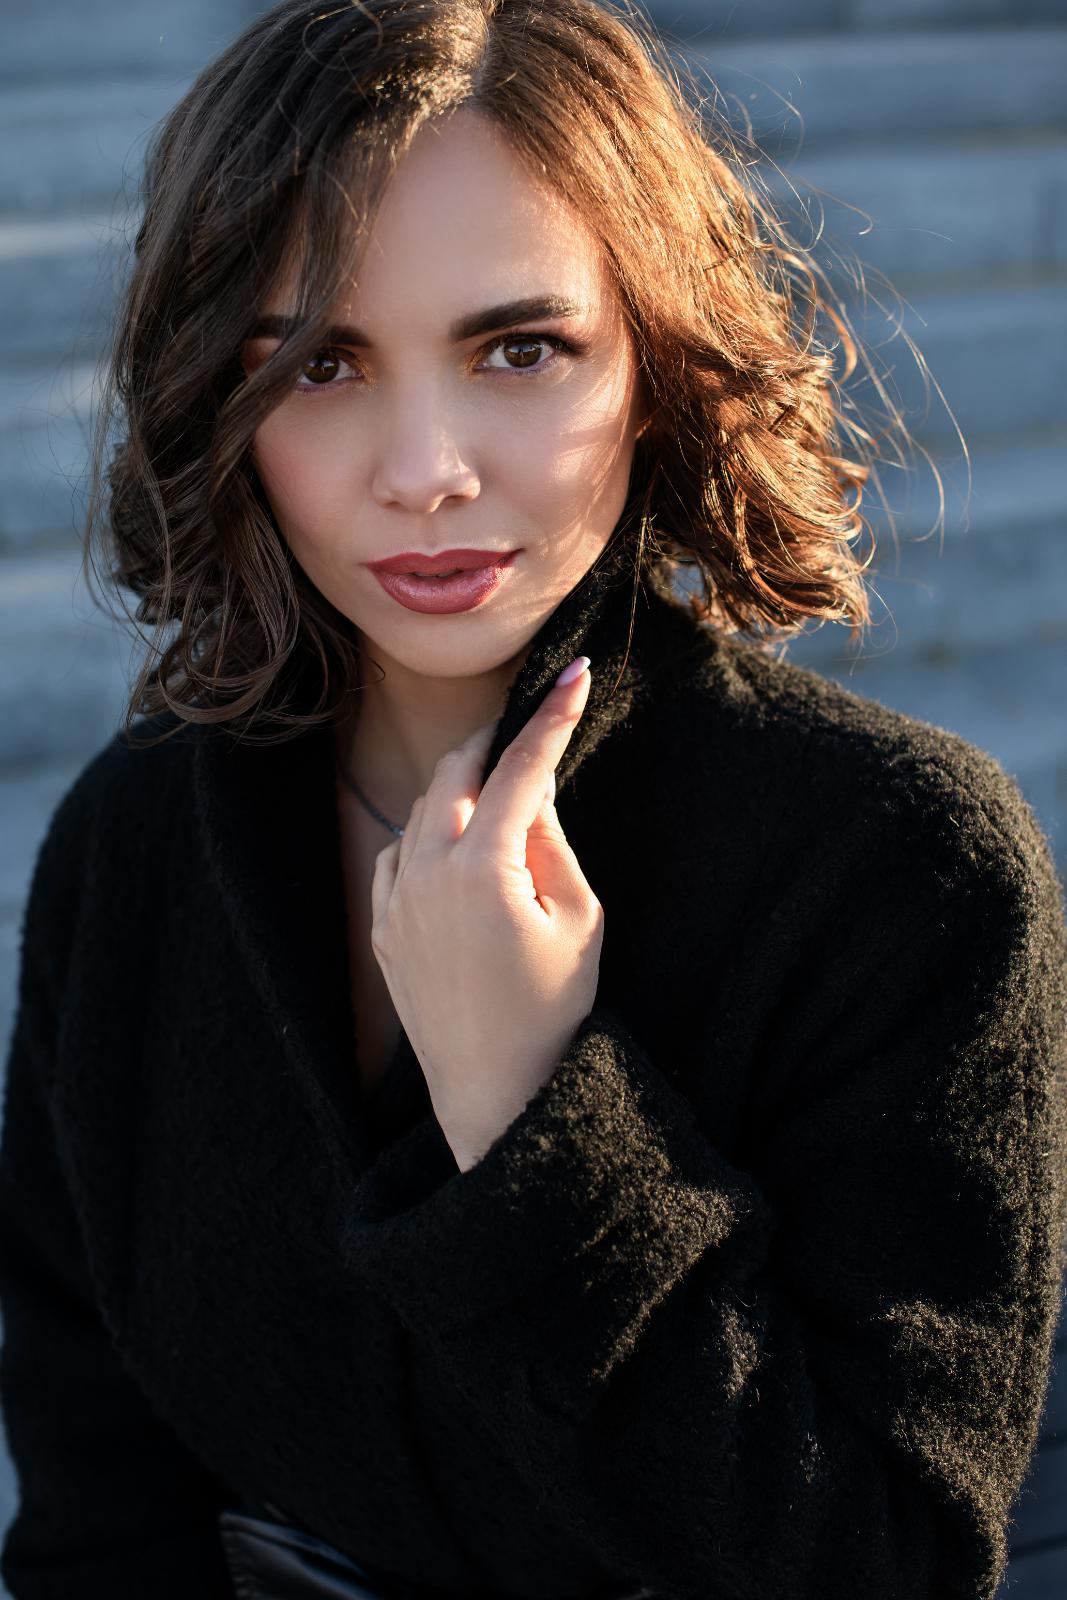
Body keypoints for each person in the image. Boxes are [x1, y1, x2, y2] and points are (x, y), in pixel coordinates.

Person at [1, 0, 1065, 1596]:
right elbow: (95, 1487)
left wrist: (532, 1117)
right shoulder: (133, 843)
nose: (425, 467)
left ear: (653, 362)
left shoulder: (904, 869)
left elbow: (890, 1559)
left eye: (519, 350)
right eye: (320, 363)